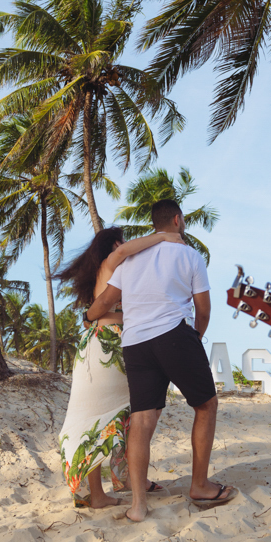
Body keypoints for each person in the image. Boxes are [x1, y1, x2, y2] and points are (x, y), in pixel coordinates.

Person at [86, 199, 236, 523]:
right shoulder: (190, 255)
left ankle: (138, 505)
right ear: (178, 220)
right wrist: (195, 337)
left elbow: (103, 304)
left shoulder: (129, 261)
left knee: (141, 419)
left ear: (154, 224)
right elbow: (203, 310)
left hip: (134, 343)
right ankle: (200, 485)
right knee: (206, 405)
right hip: (173, 335)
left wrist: (92, 315)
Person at [55, 227, 183, 509]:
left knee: (104, 417)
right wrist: (162, 236)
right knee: (136, 410)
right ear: (114, 244)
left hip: (98, 347)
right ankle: (122, 481)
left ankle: (109, 487)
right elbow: (123, 256)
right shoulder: (111, 262)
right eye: (122, 241)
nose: (126, 246)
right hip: (108, 346)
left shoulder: (105, 272)